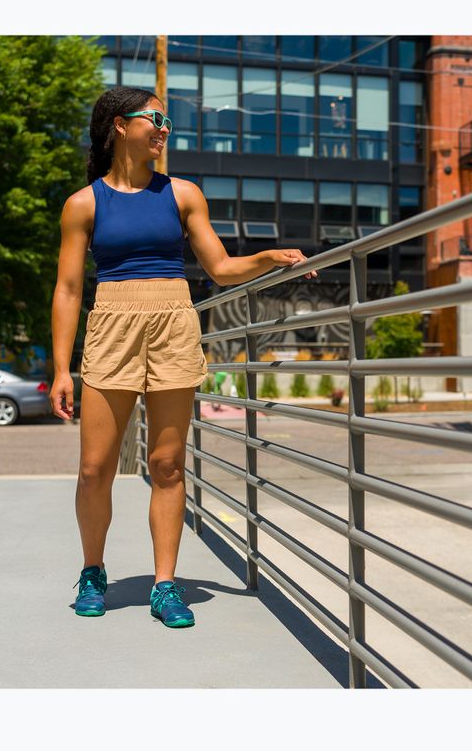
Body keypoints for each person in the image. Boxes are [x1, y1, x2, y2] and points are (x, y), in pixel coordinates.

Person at [50, 86, 317, 627]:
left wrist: (267, 257)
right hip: (111, 326)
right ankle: (94, 571)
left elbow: (219, 268)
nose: (164, 127)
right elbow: (69, 289)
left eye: (166, 119)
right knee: (93, 468)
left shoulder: (183, 193)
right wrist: (61, 369)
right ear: (120, 125)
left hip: (173, 320)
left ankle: (165, 583)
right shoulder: (83, 203)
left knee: (167, 465)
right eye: (155, 118)